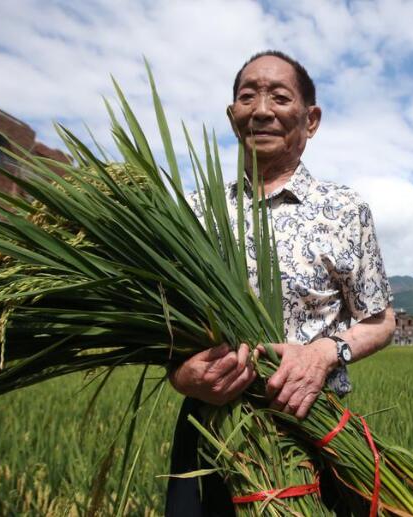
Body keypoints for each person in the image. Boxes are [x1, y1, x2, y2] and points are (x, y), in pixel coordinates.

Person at [166, 50, 395, 517]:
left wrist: (323, 353)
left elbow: (380, 319)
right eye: (247, 96)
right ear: (233, 117)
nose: (262, 109)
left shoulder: (345, 210)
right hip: (210, 425)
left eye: (280, 97)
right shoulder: (192, 213)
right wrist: (180, 375)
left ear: (310, 120)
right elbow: (164, 323)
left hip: (312, 424)